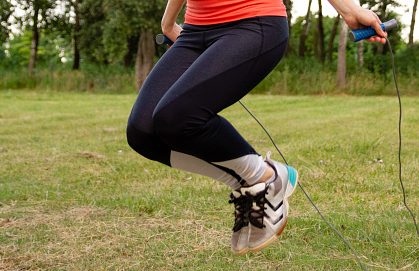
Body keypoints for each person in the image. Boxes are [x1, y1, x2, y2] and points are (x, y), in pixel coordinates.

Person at [126, 0, 386, 256]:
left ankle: (267, 178)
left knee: (177, 117)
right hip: (195, 30)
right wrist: (168, 21)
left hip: (252, 22)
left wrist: (350, 10)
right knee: (142, 132)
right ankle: (252, 182)